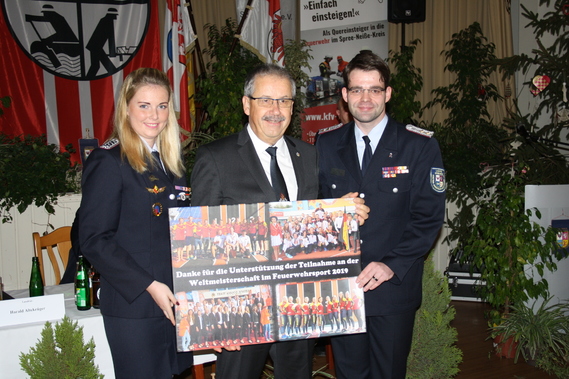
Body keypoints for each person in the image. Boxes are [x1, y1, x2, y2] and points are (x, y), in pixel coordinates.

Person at [190, 63, 369, 379]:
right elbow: (201, 245)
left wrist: (342, 211)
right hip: (241, 310)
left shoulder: (308, 155)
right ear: (247, 105)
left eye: (284, 100)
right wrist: (216, 321)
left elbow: (311, 221)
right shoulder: (215, 158)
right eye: (266, 100)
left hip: (296, 305)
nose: (276, 109)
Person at [316, 50, 446, 378]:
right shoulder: (326, 144)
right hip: (343, 286)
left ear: (387, 94)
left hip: (391, 288)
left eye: (374, 89)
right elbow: (311, 206)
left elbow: (428, 218)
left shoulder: (418, 145)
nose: (365, 98)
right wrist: (333, 209)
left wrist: (391, 265)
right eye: (357, 89)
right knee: (348, 373)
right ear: (344, 96)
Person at [78, 68, 193, 378]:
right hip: (135, 307)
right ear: (126, 108)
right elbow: (93, 239)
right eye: (144, 105)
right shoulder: (109, 161)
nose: (154, 115)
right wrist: (149, 285)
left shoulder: (171, 162)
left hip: (174, 303)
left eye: (162, 105)